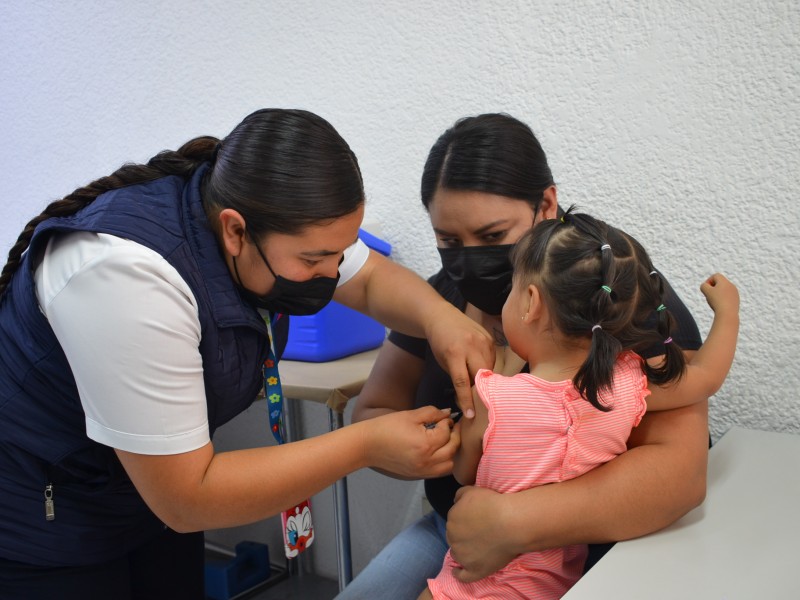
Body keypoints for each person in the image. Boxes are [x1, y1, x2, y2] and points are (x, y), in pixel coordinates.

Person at [0, 108, 496, 600]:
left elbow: (366, 279)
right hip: (44, 517)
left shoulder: (269, 223)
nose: (333, 272)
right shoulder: (125, 278)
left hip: (142, 502)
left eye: (338, 254)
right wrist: (363, 445)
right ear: (236, 231)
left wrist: (442, 319)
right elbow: (187, 496)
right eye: (314, 260)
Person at [340, 113, 711, 599]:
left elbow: (680, 476)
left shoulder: (615, 298)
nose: (469, 260)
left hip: (591, 549)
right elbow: (375, 409)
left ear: (546, 205)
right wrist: (436, 448)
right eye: (448, 242)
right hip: (455, 540)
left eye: (493, 237)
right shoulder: (444, 299)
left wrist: (514, 520)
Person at [419, 208, 739, 599]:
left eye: (512, 288)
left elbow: (465, 471)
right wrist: (727, 313)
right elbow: (706, 377)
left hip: (476, 582)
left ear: (530, 303)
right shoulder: (628, 387)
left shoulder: (493, 397)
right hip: (559, 584)